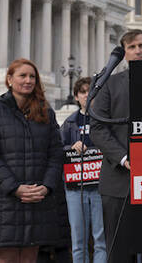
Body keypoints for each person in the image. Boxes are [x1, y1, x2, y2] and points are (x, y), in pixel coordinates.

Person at [89, 30, 142, 263]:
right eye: (131, 47)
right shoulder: (109, 85)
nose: (138, 51)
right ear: (124, 53)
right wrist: (124, 158)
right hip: (118, 182)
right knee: (119, 252)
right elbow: (98, 128)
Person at [0, 58, 64, 263]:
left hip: (38, 197)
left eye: (32, 76)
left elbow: (56, 154)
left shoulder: (46, 113)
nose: (28, 80)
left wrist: (46, 187)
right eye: (22, 76)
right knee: (7, 258)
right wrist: (14, 188)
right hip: (5, 199)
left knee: (29, 258)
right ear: (9, 80)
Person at [60, 76, 106, 263]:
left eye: (91, 91)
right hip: (74, 187)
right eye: (83, 92)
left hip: (99, 185)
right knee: (78, 241)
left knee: (101, 239)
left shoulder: (105, 120)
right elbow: (57, 150)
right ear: (76, 96)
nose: (87, 95)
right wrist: (71, 147)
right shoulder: (70, 122)